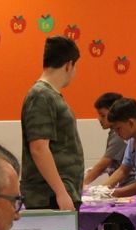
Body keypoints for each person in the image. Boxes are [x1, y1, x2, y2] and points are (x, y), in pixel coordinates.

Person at [21, 36, 83, 211]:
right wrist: (61, 192)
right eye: (75, 67)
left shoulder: (50, 95)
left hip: (58, 193)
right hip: (48, 197)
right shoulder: (41, 95)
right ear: (69, 65)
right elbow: (39, 148)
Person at [83, 92, 133, 187]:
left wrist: (83, 183)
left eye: (103, 115)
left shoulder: (118, 134)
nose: (99, 119)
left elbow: (104, 163)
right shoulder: (114, 132)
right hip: (124, 183)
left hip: (131, 183)